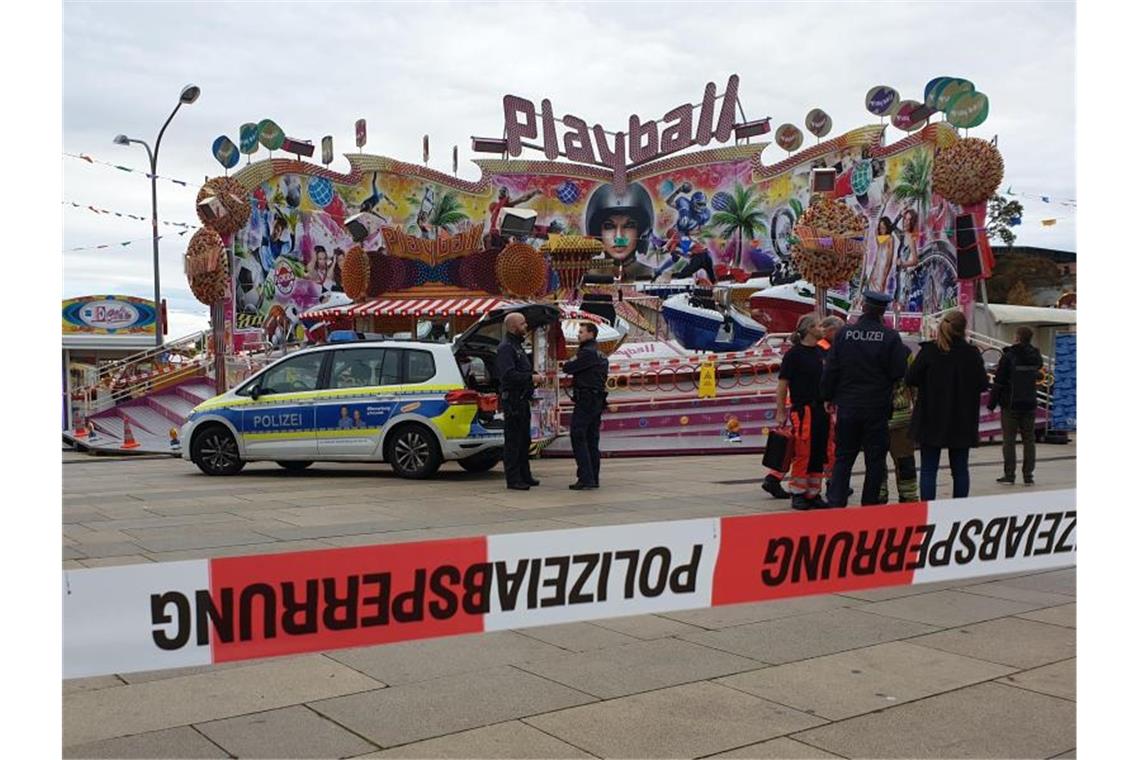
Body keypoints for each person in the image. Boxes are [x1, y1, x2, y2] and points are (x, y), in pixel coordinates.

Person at [820, 290, 910, 507]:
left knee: (844, 457)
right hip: (876, 406)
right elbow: (899, 370)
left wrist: (827, 396)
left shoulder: (844, 334)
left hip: (848, 405)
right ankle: (870, 504)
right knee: (875, 459)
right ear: (882, 311)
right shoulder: (890, 337)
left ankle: (836, 501)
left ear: (863, 307)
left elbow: (831, 368)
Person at [906, 309, 989, 499]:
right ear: (963, 329)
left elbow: (910, 378)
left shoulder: (929, 351)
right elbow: (983, 384)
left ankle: (929, 510)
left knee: (928, 469)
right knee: (960, 470)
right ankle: (958, 511)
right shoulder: (971, 353)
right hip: (962, 418)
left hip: (931, 416)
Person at [775, 314, 830, 510]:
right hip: (803, 409)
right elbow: (782, 385)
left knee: (819, 452)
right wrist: (780, 411)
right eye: (818, 326)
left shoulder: (822, 352)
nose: (822, 329)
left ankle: (813, 493)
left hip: (821, 409)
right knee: (803, 452)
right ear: (808, 330)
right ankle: (797, 493)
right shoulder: (794, 355)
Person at [989, 326, 1043, 486]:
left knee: (1009, 441)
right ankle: (1028, 475)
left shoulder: (1009, 356)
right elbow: (1038, 371)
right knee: (1029, 440)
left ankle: (1009, 474)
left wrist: (992, 404)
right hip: (1030, 403)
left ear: (1018, 338)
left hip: (1010, 404)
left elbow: (998, 382)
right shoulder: (1036, 356)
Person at [495, 312, 542, 491]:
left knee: (524, 439)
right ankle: (513, 478)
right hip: (513, 400)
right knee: (514, 441)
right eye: (522, 324)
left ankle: (525, 474)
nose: (526, 326)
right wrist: (531, 378)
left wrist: (532, 376)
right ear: (514, 327)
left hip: (522, 399)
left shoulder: (517, 347)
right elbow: (508, 375)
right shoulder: (506, 348)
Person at [563, 322, 609, 490]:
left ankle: (585, 477)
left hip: (586, 400)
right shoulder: (601, 354)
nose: (578, 335)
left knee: (578, 435)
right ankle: (593, 477)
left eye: (581, 332)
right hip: (596, 401)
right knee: (591, 438)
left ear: (591, 334)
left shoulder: (586, 353)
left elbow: (568, 367)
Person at [879, 365, 918, 504]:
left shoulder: (868, 347)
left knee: (876, 462)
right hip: (901, 417)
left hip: (875, 416)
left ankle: (879, 496)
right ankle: (909, 498)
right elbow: (915, 383)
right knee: (905, 462)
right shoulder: (905, 353)